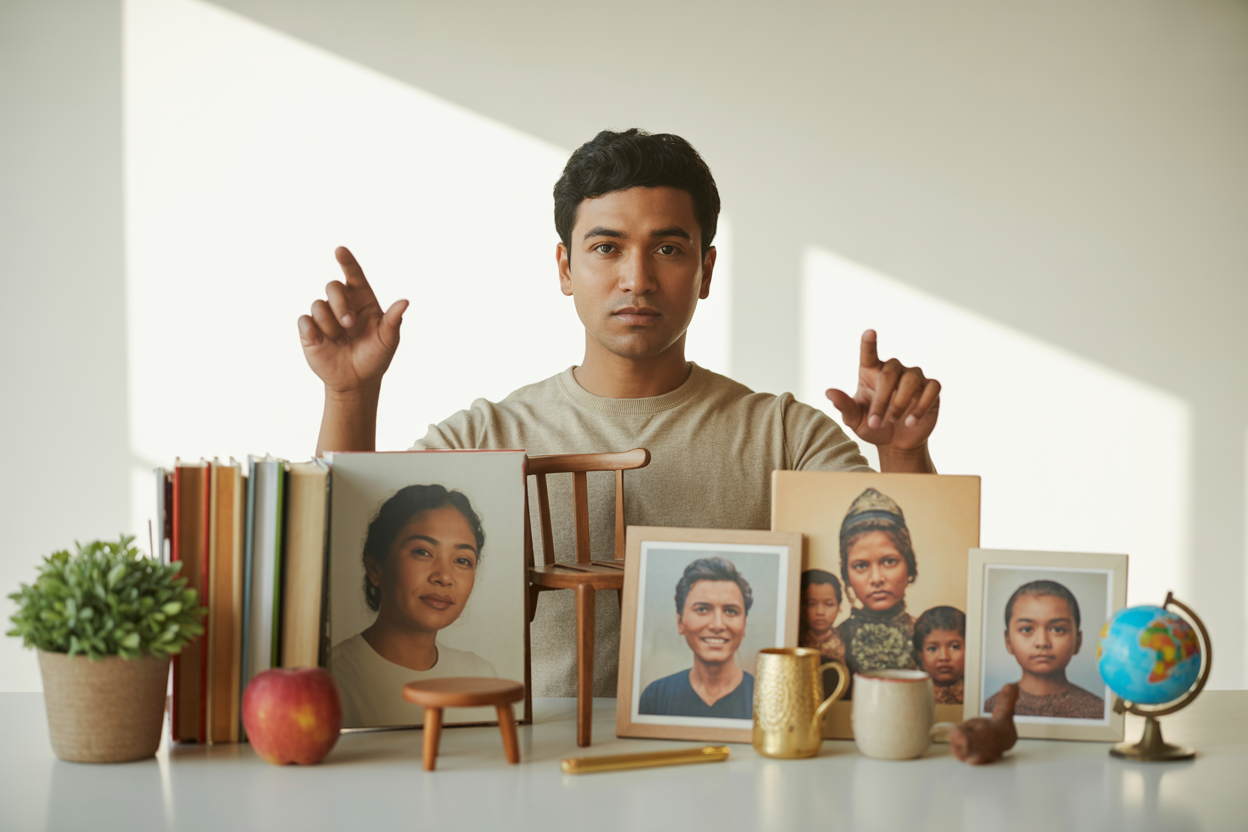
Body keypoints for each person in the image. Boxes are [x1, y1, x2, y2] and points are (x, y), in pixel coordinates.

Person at [298, 128, 943, 698]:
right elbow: (335, 567)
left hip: (728, 771)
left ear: (706, 269)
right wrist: (350, 396)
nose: (637, 278)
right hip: (527, 775)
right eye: (607, 247)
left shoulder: (784, 436)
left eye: (667, 249)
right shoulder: (485, 438)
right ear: (565, 267)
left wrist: (904, 453)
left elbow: (913, 594)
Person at [330, 484, 496, 727]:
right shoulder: (334, 676)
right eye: (423, 552)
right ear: (376, 567)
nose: (444, 576)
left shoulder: (480, 675)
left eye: (462, 560)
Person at [638, 557, 754, 719]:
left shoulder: (766, 699)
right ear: (680, 622)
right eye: (702, 609)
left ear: (744, 624)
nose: (717, 625)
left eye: (731, 611)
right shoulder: (656, 697)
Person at [983, 579, 1106, 720]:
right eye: (1027, 629)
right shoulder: (992, 708)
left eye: (1057, 629)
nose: (1042, 642)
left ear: (1078, 641)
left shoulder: (1096, 710)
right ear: (1008, 641)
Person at [836, 488, 920, 687]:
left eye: (889, 561)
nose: (876, 578)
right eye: (861, 566)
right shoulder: (833, 643)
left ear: (909, 563)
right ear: (846, 574)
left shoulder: (931, 640)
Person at [912, 605, 966, 705]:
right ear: (920, 654)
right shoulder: (911, 695)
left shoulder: (979, 693)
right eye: (932, 648)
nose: (944, 657)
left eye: (954, 647)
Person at [799, 569, 846, 664]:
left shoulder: (848, 641)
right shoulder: (793, 642)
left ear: (839, 605)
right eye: (811, 604)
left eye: (829, 604)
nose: (820, 612)